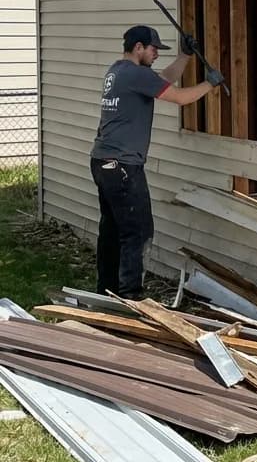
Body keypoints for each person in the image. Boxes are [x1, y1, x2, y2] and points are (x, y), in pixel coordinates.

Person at [91, 25, 224, 299]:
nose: (156, 54)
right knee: (138, 231)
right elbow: (179, 98)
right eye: (153, 50)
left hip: (103, 161)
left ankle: (107, 289)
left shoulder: (119, 71)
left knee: (113, 228)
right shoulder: (135, 75)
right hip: (122, 166)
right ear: (138, 47)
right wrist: (209, 84)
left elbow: (162, 79)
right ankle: (130, 295)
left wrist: (185, 56)